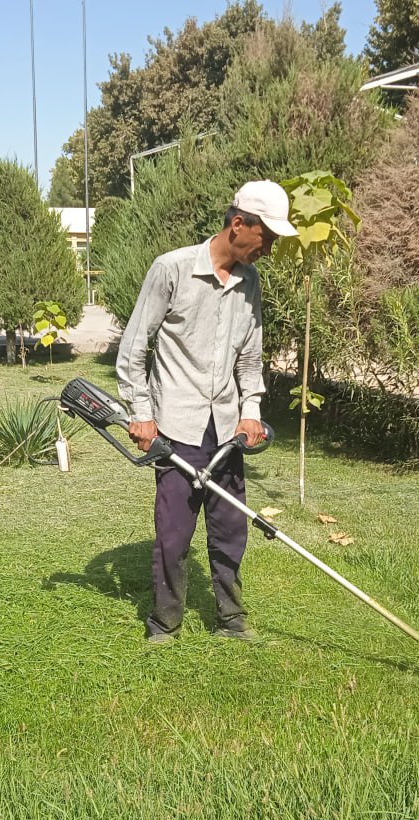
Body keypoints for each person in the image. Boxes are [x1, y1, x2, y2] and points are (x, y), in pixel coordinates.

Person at [115, 180, 297, 643]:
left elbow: (250, 358)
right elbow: (134, 347)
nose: (269, 250)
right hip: (177, 426)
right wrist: (141, 412)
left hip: (227, 430)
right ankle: (165, 623)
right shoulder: (171, 270)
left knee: (231, 527)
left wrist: (250, 411)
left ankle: (231, 619)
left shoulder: (249, 282)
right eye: (267, 238)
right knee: (174, 535)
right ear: (239, 224)